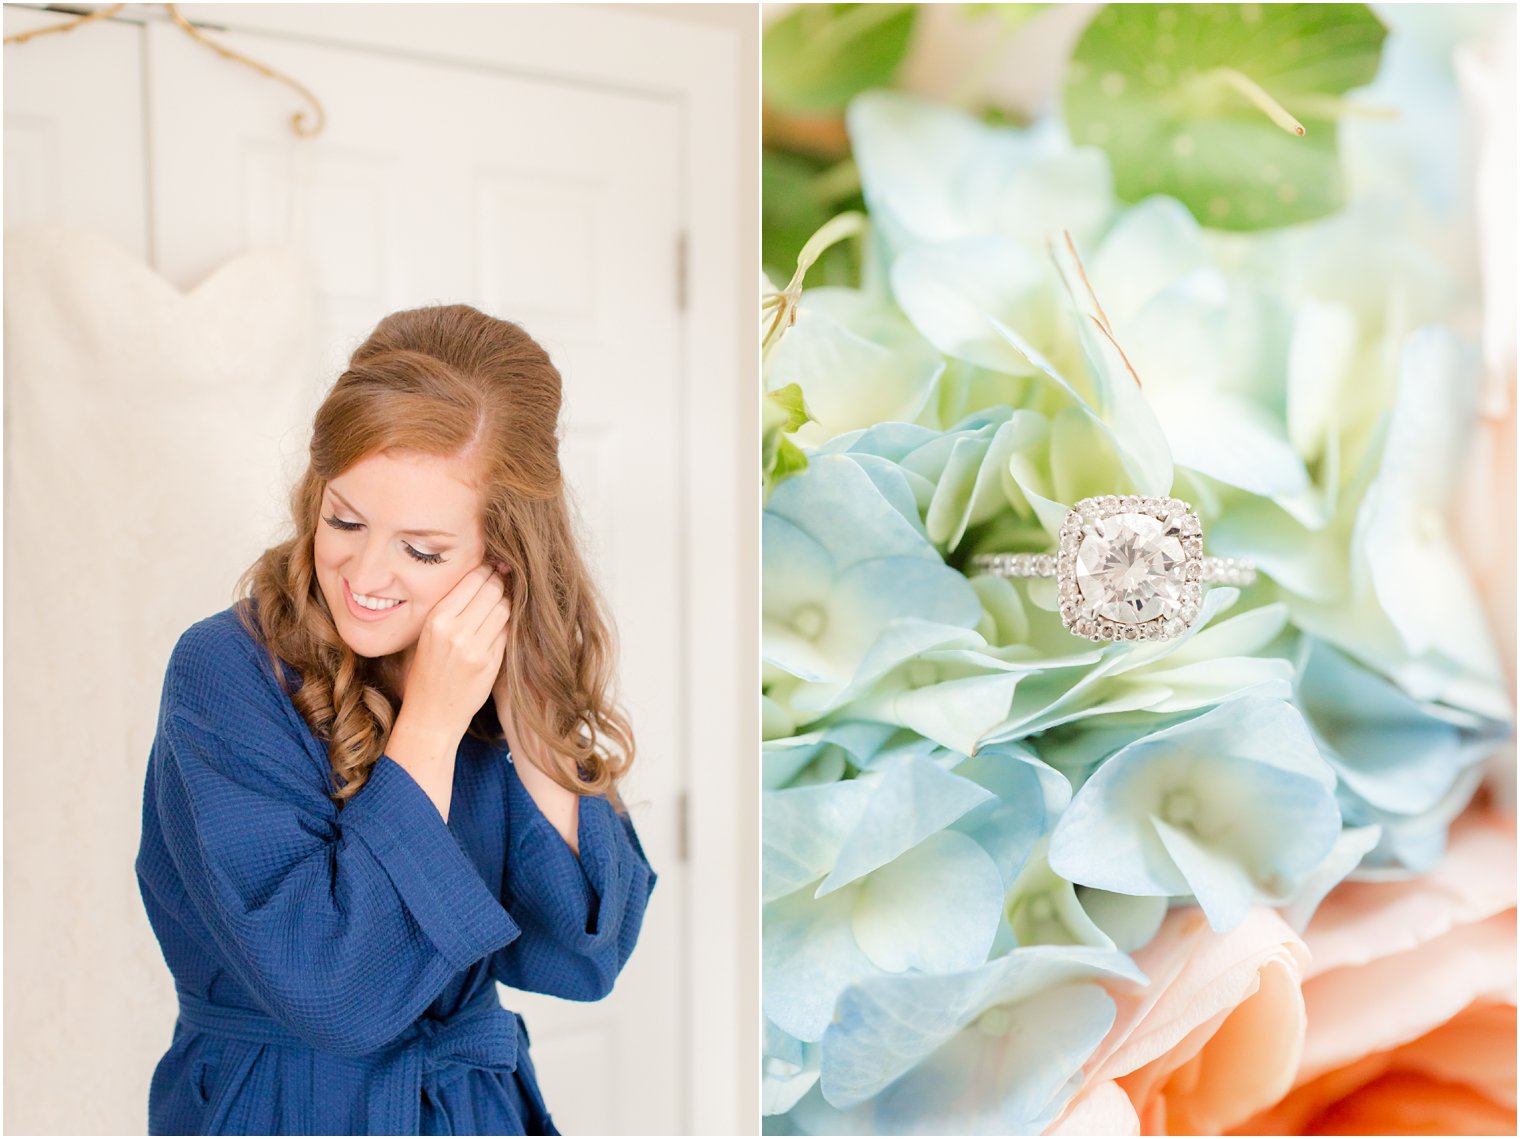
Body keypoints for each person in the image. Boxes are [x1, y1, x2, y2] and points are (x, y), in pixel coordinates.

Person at [135, 304, 656, 1135]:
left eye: (421, 549)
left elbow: (582, 953)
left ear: (502, 557)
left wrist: (525, 689)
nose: (366, 574)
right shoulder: (224, 674)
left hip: (471, 1110)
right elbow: (336, 992)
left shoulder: (480, 668)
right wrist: (431, 725)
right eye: (344, 520)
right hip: (279, 1108)